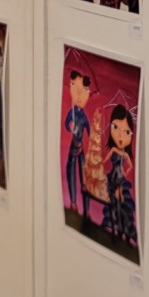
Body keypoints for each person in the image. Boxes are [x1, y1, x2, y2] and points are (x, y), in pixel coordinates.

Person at [102, 103, 137, 244]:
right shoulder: (114, 150)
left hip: (120, 179)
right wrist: (99, 165)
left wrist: (125, 171)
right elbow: (104, 161)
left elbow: (130, 166)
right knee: (113, 201)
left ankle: (124, 228)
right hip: (113, 178)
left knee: (121, 202)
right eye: (115, 128)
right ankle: (114, 225)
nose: (120, 135)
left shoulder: (124, 154)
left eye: (127, 132)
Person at [63, 67, 93, 217]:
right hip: (72, 148)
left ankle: (87, 209)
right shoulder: (72, 112)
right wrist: (70, 127)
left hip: (81, 149)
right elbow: (65, 123)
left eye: (84, 90)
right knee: (71, 173)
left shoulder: (84, 116)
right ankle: (73, 202)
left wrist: (93, 139)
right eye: (75, 88)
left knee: (84, 178)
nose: (80, 95)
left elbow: (89, 130)